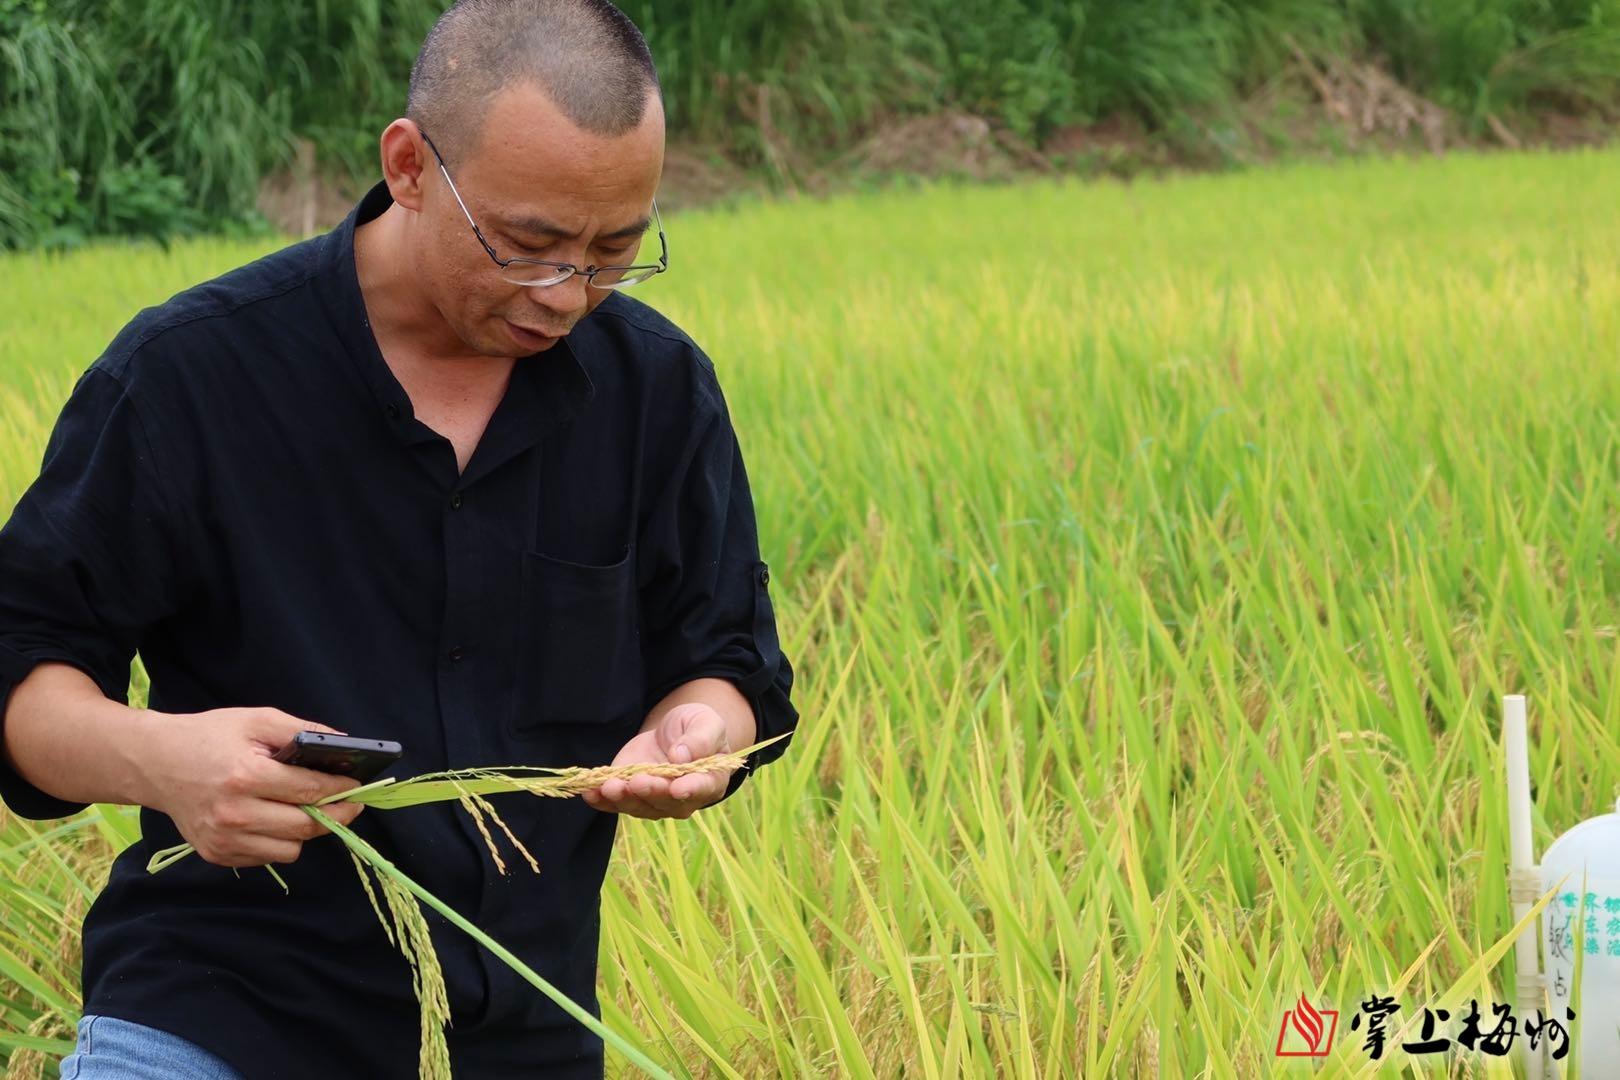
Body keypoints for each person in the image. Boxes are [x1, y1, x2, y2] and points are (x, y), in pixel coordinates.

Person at [0, 1, 799, 1076]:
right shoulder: (192, 376)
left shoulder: (654, 392)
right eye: (526, 245)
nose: (567, 295)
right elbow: (21, 673)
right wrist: (167, 760)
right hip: (213, 1013)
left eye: (615, 250)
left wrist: (696, 729)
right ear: (411, 165)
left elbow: (727, 655)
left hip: (523, 1037)